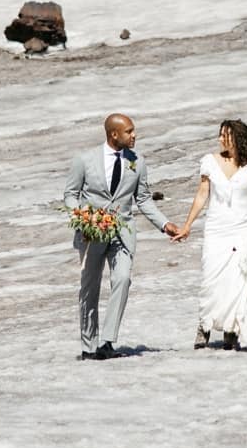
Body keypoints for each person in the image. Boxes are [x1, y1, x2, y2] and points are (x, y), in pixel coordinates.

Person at [62, 113, 181, 360]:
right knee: (89, 288)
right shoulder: (84, 160)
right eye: (129, 131)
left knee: (123, 279)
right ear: (114, 134)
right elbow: (70, 194)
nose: (134, 135)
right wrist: (83, 216)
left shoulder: (137, 161)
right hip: (92, 233)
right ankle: (88, 347)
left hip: (123, 233)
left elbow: (144, 199)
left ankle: (107, 341)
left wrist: (164, 223)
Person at [171, 118, 247, 350]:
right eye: (220, 135)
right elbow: (202, 194)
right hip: (216, 229)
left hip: (242, 228)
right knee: (211, 278)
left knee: (237, 280)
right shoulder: (210, 162)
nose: (220, 139)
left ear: (237, 139)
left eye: (225, 135)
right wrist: (187, 225)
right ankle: (204, 325)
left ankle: (230, 330)